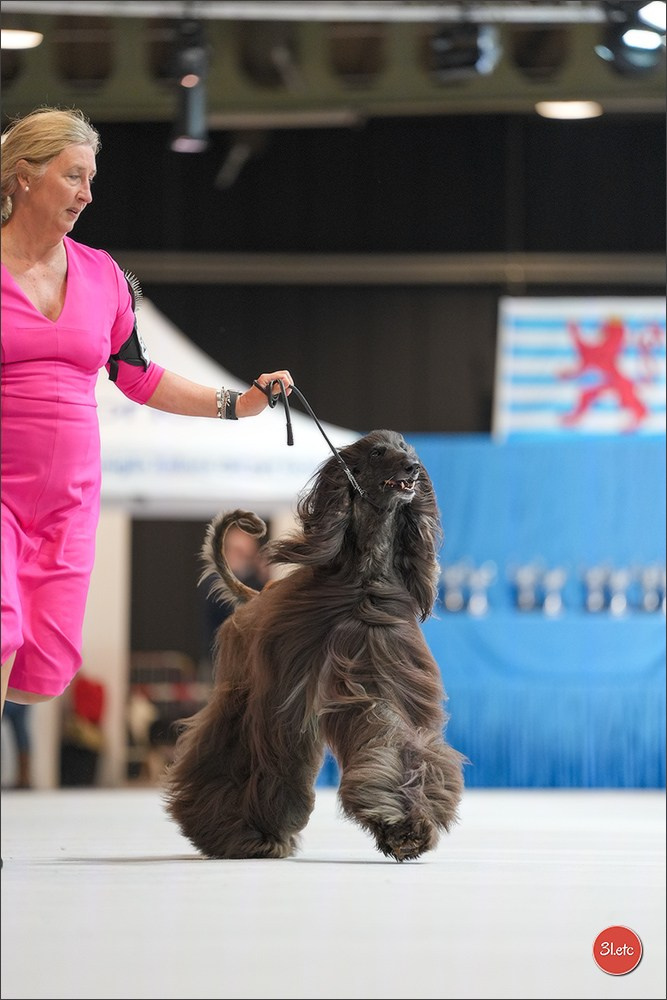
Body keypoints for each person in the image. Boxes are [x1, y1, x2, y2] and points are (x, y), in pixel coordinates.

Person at [0, 106, 293, 724]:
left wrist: (236, 405)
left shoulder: (102, 274)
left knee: (43, 671)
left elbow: (138, 376)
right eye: (74, 176)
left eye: (92, 179)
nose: (87, 194)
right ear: (23, 175)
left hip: (68, 502)